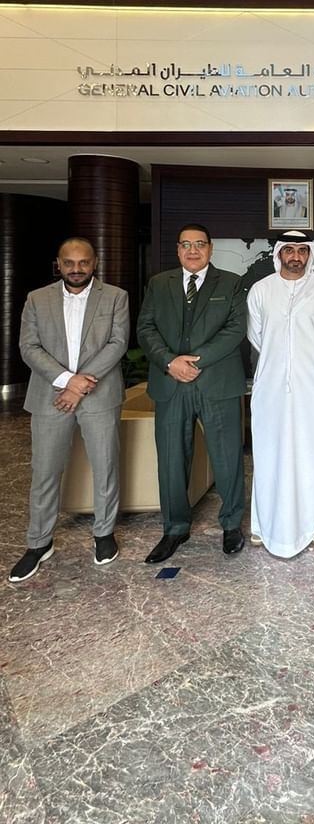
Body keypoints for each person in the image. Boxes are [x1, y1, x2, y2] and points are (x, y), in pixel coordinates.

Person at [10, 238, 129, 584]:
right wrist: (67, 381)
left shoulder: (116, 296)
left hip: (99, 395)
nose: (77, 269)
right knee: (45, 471)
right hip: (51, 396)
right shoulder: (37, 299)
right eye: (69, 263)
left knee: (105, 467)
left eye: (83, 262)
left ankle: (104, 533)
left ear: (95, 263)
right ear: (58, 264)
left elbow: (118, 343)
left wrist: (79, 385)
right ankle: (39, 542)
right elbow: (28, 347)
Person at [137, 224, 247, 563]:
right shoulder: (159, 284)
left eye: (199, 244)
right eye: (186, 244)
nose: (193, 250)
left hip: (217, 382)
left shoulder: (231, 283)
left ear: (210, 248)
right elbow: (145, 327)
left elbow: (236, 328)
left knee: (227, 457)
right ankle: (175, 528)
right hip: (171, 383)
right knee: (171, 459)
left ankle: (231, 524)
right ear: (178, 249)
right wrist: (170, 362)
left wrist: (196, 361)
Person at [247, 231, 314, 557]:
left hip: (311, 386)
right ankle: (264, 523)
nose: (295, 256)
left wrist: (303, 365)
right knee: (269, 452)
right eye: (289, 250)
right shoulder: (261, 290)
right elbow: (257, 337)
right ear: (279, 254)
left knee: (312, 452)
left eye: (302, 250)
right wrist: (281, 363)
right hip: (270, 385)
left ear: (309, 255)